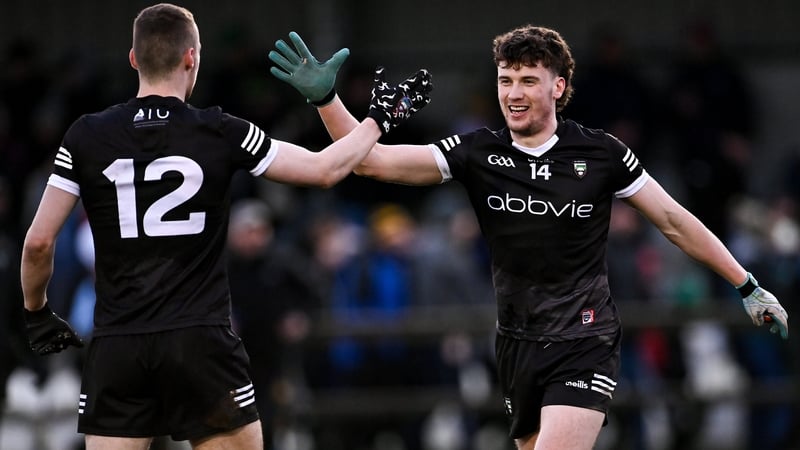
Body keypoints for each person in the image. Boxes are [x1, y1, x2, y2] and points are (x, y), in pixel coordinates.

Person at [268, 26, 789, 450]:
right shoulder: (476, 151)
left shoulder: (602, 153)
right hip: (516, 343)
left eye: (528, 80)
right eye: (505, 80)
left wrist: (747, 285)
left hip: (584, 339)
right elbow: (372, 164)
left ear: (558, 86)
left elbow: (674, 221)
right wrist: (329, 101)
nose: (513, 94)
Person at [19, 3, 432, 450]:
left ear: (133, 59)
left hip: (119, 345)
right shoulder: (219, 130)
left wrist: (36, 311)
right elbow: (325, 170)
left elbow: (39, 243)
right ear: (192, 57)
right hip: (201, 344)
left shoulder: (85, 136)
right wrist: (379, 118)